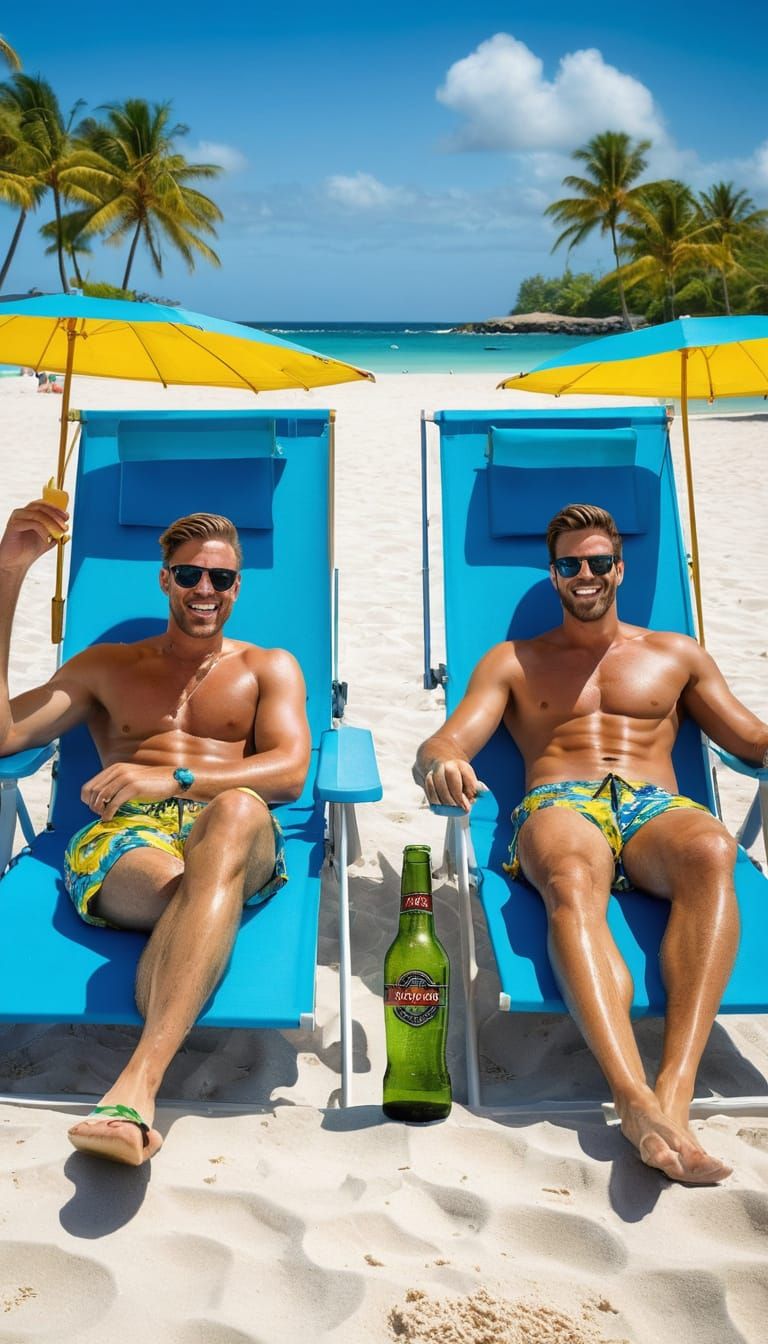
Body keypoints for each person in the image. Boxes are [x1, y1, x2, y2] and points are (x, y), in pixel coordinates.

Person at [415, 502, 768, 1185]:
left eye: (599, 562)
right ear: (553, 575)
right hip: (560, 802)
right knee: (573, 879)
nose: (586, 574)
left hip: (656, 807)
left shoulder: (676, 654)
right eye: (570, 564)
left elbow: (750, 738)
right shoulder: (514, 661)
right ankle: (632, 1098)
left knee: (713, 849)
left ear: (620, 570)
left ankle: (674, 1091)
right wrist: (440, 764)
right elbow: (445, 742)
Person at [0, 498, 311, 1166]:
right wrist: (9, 574)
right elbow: (5, 735)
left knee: (238, 811)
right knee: (196, 896)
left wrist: (172, 778)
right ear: (165, 579)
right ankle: (143, 1078)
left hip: (232, 826)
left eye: (220, 578)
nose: (205, 589)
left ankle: (138, 1080)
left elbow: (288, 773)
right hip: (126, 838)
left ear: (237, 586)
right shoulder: (107, 666)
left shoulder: (269, 667)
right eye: (189, 574)